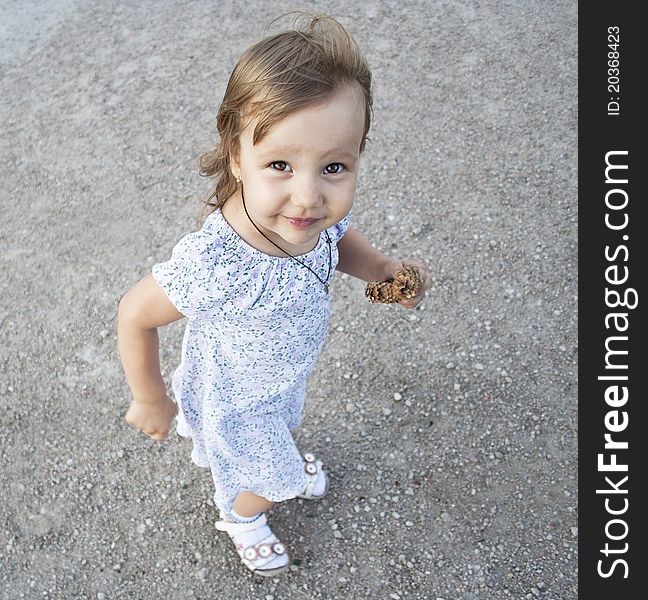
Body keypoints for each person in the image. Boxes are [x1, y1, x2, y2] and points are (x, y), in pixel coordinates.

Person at [117, 13, 431, 577]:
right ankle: (243, 517)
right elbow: (136, 314)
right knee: (264, 479)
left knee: (284, 430)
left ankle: (266, 460)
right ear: (236, 156)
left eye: (334, 166)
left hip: (281, 378)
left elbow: (338, 243)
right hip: (239, 397)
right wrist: (149, 397)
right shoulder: (218, 262)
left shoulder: (311, 220)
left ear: (358, 152)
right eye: (279, 165)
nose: (308, 197)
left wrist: (382, 272)